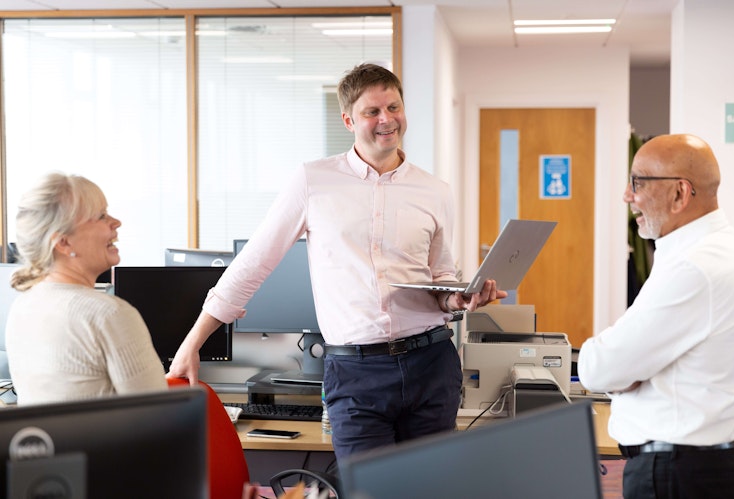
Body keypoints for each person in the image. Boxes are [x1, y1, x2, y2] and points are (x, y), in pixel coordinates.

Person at [167, 63, 503, 459]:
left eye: (393, 107)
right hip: (356, 372)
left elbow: (440, 276)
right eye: (372, 112)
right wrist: (192, 343)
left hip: (431, 363)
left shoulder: (434, 191)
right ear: (348, 119)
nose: (387, 120)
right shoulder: (313, 181)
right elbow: (252, 264)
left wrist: (458, 298)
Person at [577, 134, 734, 498]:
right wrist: (634, 370)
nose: (628, 196)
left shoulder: (694, 268)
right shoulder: (717, 250)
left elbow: (598, 368)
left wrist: (626, 369)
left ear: (679, 194)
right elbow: (624, 366)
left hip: (677, 476)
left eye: (638, 182)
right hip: (703, 465)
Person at [5, 172, 167, 405]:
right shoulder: (108, 314)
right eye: (101, 216)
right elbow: (160, 421)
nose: (116, 222)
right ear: (63, 242)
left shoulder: (23, 305)